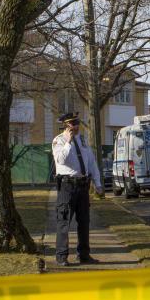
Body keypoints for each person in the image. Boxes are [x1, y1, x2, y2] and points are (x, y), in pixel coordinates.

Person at [52, 112, 104, 266]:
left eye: (77, 124)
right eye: (73, 124)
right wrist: (68, 141)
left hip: (83, 186)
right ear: (66, 126)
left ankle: (84, 255)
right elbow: (61, 159)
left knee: (84, 222)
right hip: (67, 186)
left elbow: (91, 163)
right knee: (63, 221)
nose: (76, 127)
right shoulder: (59, 141)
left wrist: (98, 183)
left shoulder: (83, 140)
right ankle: (61, 256)